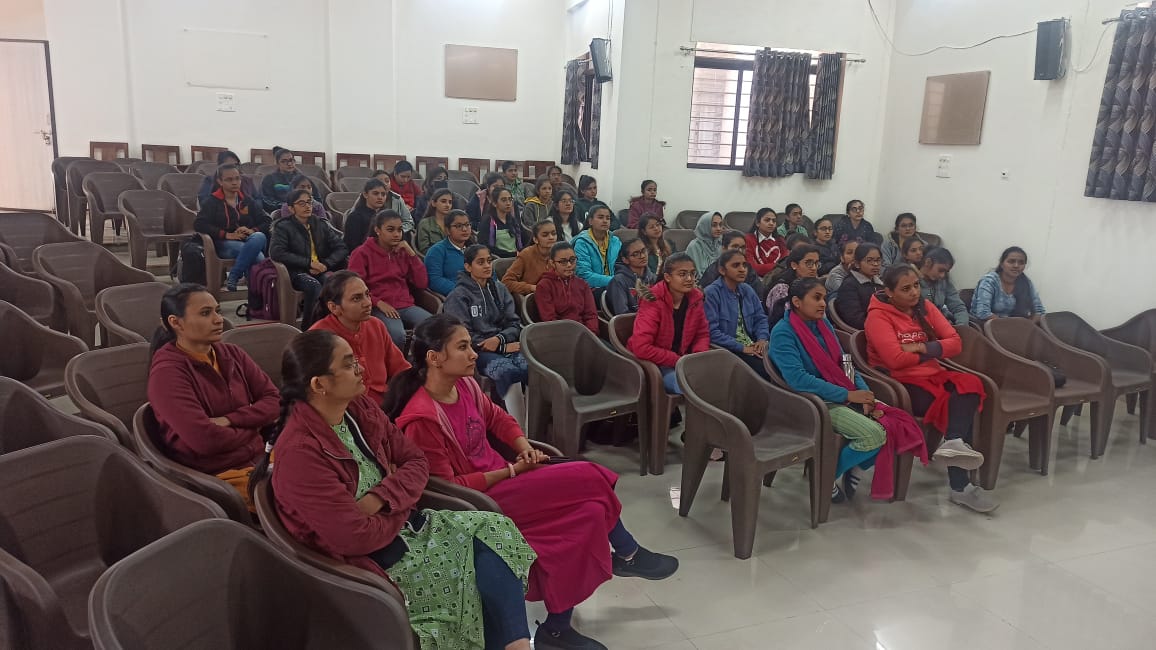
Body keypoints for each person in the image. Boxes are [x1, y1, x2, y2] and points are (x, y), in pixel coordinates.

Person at [386, 315, 678, 650]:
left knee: (592, 512)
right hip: (481, 504)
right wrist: (511, 472)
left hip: (506, 479)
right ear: (434, 357)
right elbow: (447, 487)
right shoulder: (422, 418)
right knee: (589, 473)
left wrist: (524, 448)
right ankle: (628, 553)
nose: (473, 353)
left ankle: (556, 631)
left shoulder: (464, 386)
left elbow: (498, 419)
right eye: (463, 347)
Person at [266, 329, 537, 650]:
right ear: (319, 384)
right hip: (365, 559)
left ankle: (517, 644)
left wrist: (381, 497)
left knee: (493, 528)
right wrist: (399, 506)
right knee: (457, 586)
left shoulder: (358, 408)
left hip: (401, 527)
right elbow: (352, 537)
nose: (361, 368)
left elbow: (415, 461)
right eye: (349, 364)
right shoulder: (300, 452)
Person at [769, 277, 928, 502]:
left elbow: (845, 363)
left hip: (839, 393)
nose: (823, 303)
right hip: (811, 402)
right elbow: (798, 380)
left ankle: (856, 468)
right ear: (796, 302)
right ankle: (826, 478)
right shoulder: (783, 333)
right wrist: (848, 395)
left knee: (897, 424)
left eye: (824, 298)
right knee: (873, 435)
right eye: (816, 298)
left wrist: (865, 395)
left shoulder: (823, 325)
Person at [866, 265, 996, 513]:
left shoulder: (924, 307)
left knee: (972, 385)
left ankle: (953, 442)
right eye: (906, 289)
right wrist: (935, 349)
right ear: (889, 292)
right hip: (899, 383)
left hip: (931, 374)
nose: (914, 292)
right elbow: (895, 360)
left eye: (916, 285)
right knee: (957, 404)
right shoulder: (878, 316)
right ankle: (960, 486)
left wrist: (921, 348)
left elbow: (955, 343)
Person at [147, 283, 279, 510]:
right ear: (176, 322)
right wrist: (255, 425)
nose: (219, 319)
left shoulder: (232, 354)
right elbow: (205, 440)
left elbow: (275, 401)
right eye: (206, 313)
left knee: (330, 477)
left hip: (262, 457)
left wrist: (231, 420)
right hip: (218, 475)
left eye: (217, 310)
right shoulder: (167, 374)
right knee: (306, 500)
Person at [444, 245, 529, 426]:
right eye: (480, 262)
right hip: (476, 351)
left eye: (489, 261)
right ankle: (518, 429)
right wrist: (501, 346)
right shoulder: (458, 296)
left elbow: (514, 323)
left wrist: (500, 340)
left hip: (503, 343)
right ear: (468, 267)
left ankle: (533, 422)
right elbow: (461, 337)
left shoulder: (499, 289)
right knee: (507, 371)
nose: (487, 266)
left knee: (530, 366)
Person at [310, 272, 411, 405]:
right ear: (334, 307)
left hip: (384, 404)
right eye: (356, 299)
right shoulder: (318, 337)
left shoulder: (376, 325)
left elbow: (400, 368)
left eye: (367, 295)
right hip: (346, 409)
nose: (368, 303)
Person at [347, 210, 432, 348]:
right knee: (397, 335)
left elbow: (422, 283)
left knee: (434, 327)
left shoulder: (403, 252)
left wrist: (412, 254)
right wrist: (378, 302)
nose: (397, 234)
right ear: (377, 230)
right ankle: (396, 362)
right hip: (376, 306)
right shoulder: (361, 253)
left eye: (399, 230)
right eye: (390, 230)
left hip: (405, 304)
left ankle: (421, 360)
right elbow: (354, 288)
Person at [628, 253, 709, 394]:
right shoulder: (653, 301)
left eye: (692, 273)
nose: (689, 279)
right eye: (682, 274)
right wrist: (677, 360)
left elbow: (702, 334)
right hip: (655, 364)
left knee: (719, 380)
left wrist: (697, 357)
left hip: (684, 361)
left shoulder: (695, 299)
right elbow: (642, 347)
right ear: (667, 277)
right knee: (693, 388)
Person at [269, 188, 349, 330]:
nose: (307, 206)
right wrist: (309, 263)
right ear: (291, 208)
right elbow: (277, 252)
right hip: (296, 271)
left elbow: (341, 247)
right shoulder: (283, 227)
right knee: (314, 286)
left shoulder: (320, 224)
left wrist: (325, 264)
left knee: (331, 284)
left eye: (309, 202)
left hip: (320, 269)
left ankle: (330, 325)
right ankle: (308, 329)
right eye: (301, 203)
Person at [194, 163, 270, 292]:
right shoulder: (212, 201)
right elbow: (200, 224)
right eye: (229, 179)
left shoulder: (247, 200)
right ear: (220, 181)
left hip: (248, 240)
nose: (235, 182)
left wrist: (251, 230)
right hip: (223, 243)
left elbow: (267, 221)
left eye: (237, 178)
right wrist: (226, 234)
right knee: (258, 257)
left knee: (259, 236)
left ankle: (234, 274)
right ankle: (255, 298)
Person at [704, 249, 770, 379]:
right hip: (729, 350)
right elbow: (712, 332)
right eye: (736, 265)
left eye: (744, 265)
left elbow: (760, 319)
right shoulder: (711, 293)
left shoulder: (747, 290)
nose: (742, 269)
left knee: (782, 361)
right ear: (722, 270)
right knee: (764, 370)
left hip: (754, 345)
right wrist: (742, 348)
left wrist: (762, 339)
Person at [535, 242, 599, 335]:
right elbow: (550, 320)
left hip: (585, 334)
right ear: (552, 263)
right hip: (559, 335)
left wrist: (590, 334)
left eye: (572, 260)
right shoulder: (544, 286)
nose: (569, 265)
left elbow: (591, 315)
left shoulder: (582, 284)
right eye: (563, 262)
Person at [971, 246, 1045, 321]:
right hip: (985, 324)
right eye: (1011, 261)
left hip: (1016, 325)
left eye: (1021, 263)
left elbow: (1039, 311)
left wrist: (1029, 325)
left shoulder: (1025, 282)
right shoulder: (989, 281)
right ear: (1002, 264)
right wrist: (1010, 326)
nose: (1016, 266)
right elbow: (983, 313)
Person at [343, 178, 414, 251]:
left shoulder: (389, 216)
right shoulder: (355, 217)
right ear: (365, 194)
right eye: (375, 193)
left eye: (383, 194)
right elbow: (353, 246)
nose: (380, 197)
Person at [765, 244, 822, 323]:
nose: (814, 268)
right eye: (809, 263)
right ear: (794, 265)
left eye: (816, 263)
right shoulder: (782, 289)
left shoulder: (815, 285)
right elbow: (786, 319)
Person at [834, 242, 884, 330]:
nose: (875, 264)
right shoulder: (849, 286)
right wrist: (882, 325)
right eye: (869, 260)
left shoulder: (880, 283)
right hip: (866, 330)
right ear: (857, 263)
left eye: (878, 260)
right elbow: (854, 319)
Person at [424, 210, 474, 296]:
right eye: (459, 226)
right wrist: (464, 292)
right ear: (447, 230)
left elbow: (490, 272)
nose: (464, 229)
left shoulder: (475, 248)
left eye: (467, 224)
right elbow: (435, 281)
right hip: (457, 296)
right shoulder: (437, 251)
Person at [573, 205, 622, 291]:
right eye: (600, 217)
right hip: (590, 289)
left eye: (608, 218)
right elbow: (584, 275)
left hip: (615, 286)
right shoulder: (582, 242)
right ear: (590, 221)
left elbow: (621, 266)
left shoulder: (615, 241)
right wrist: (614, 281)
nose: (605, 221)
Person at [502, 220, 556, 296]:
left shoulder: (559, 253)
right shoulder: (526, 255)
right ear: (535, 239)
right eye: (545, 235)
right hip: (534, 298)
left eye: (554, 234)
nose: (551, 237)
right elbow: (506, 282)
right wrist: (532, 288)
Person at [919, 247, 969, 326]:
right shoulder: (912, 282)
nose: (942, 275)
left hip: (943, 325)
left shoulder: (944, 282)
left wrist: (961, 327)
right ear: (928, 262)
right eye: (941, 270)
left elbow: (958, 308)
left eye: (946, 272)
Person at [607, 238, 657, 316]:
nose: (642, 256)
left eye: (644, 251)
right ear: (625, 260)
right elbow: (622, 315)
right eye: (635, 254)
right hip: (633, 322)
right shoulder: (618, 281)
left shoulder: (654, 278)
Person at [197, 150, 261, 205]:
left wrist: (252, 208)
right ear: (220, 167)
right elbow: (203, 201)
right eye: (229, 165)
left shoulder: (247, 180)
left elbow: (258, 199)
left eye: (236, 165)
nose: (234, 168)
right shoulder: (210, 180)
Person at [481, 186, 523, 258]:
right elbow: (487, 248)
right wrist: (512, 254)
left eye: (510, 199)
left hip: (516, 258)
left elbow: (520, 244)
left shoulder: (513, 220)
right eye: (504, 200)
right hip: (498, 259)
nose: (508, 203)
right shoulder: (487, 221)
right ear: (494, 203)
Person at [746, 208, 789, 278]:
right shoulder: (748, 239)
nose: (771, 223)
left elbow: (786, 263)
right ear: (757, 223)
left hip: (780, 277)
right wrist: (777, 266)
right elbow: (752, 268)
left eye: (774, 221)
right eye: (767, 220)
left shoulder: (780, 240)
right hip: (756, 278)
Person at [260, 147, 304, 213]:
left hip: (302, 211)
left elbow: (315, 197)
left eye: (291, 160)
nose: (289, 164)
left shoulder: (302, 178)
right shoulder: (269, 179)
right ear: (277, 163)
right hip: (279, 213)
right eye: (284, 161)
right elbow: (267, 201)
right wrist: (287, 207)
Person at [684, 212, 724, 279]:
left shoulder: (721, 243)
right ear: (704, 226)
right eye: (714, 225)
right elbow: (695, 274)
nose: (719, 228)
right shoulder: (694, 246)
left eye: (720, 225)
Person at [415, 187, 454, 254]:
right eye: (443, 201)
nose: (447, 205)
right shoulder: (425, 224)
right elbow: (424, 249)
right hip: (435, 258)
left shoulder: (454, 222)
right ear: (433, 203)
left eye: (450, 202)